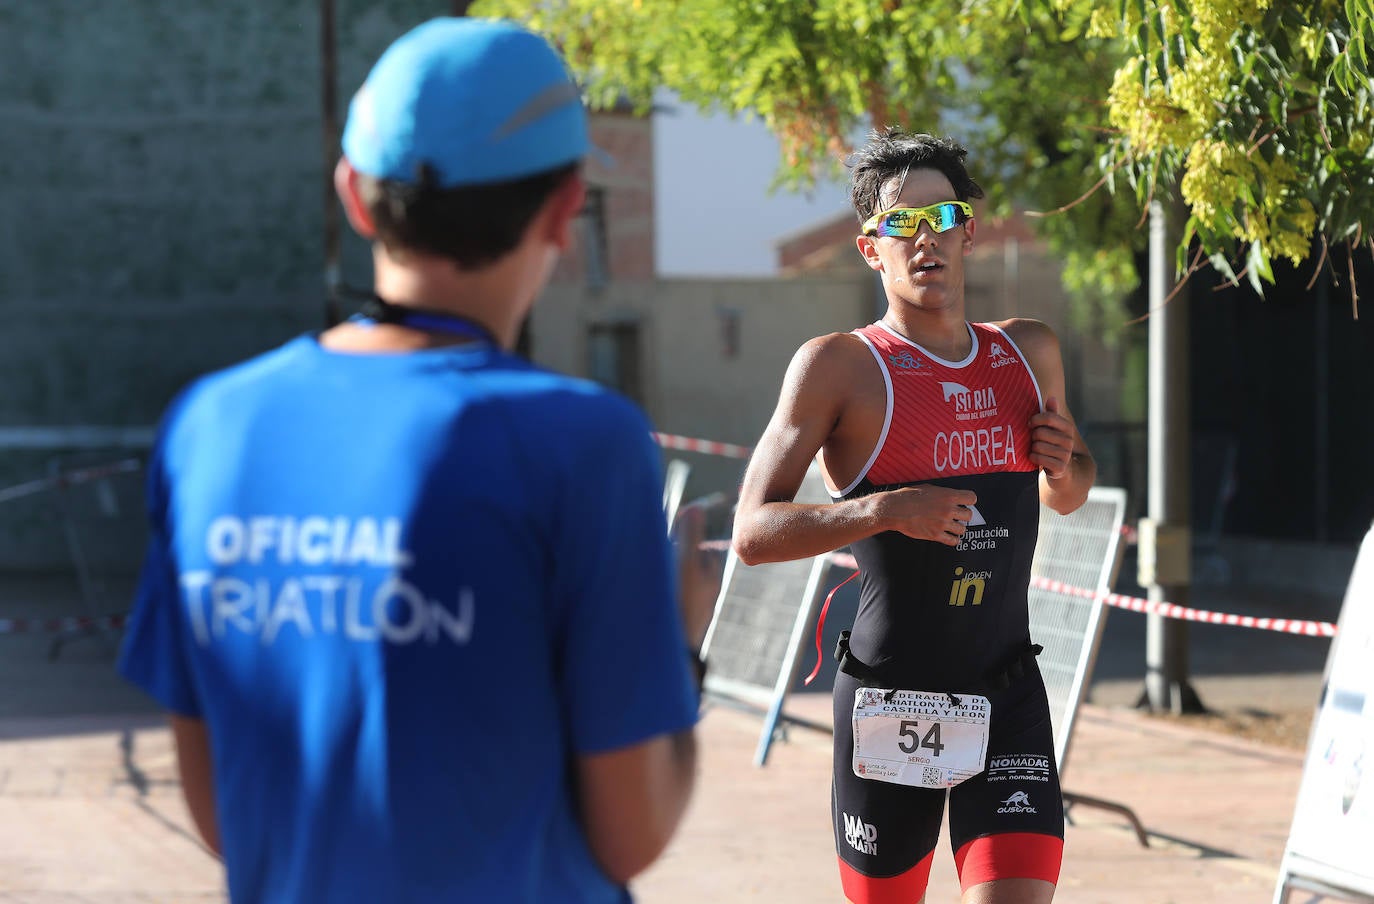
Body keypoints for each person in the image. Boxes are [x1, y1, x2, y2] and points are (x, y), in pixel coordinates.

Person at [117, 17, 715, 903]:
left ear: (355, 197)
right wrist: (679, 642)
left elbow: (222, 819)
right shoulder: (583, 444)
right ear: (564, 208)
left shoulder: (213, 425)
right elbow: (631, 833)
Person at [732, 128, 1096, 904]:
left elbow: (1068, 494)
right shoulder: (838, 366)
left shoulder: (1030, 353)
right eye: (902, 223)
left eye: (943, 218)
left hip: (1007, 694)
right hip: (893, 699)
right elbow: (752, 534)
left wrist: (1065, 465)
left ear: (971, 231)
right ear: (872, 248)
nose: (925, 238)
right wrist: (885, 509)